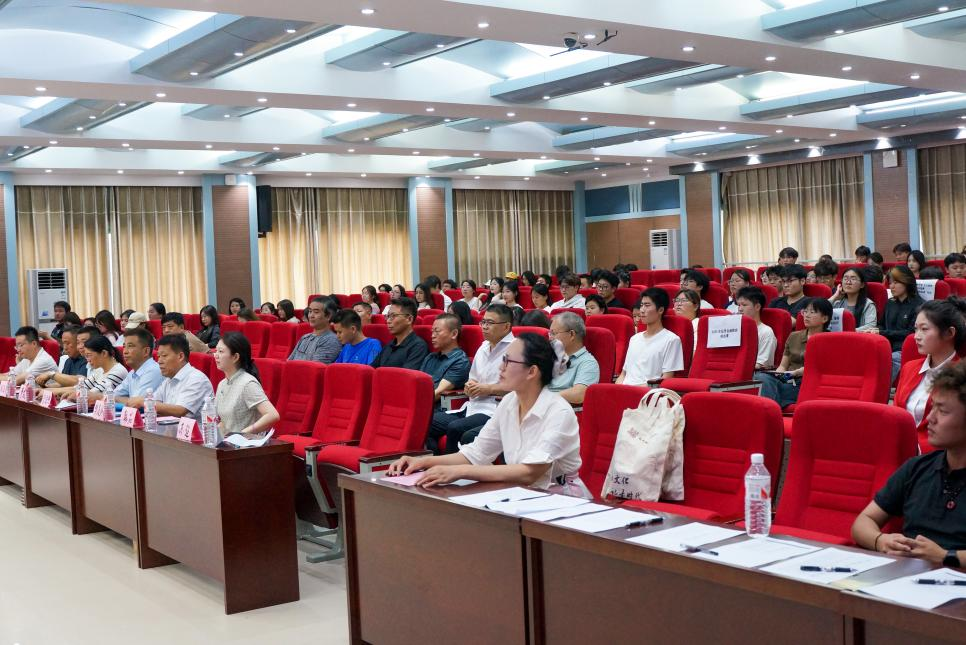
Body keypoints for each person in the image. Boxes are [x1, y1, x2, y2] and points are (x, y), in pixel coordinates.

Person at [387, 333, 582, 492]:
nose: (500, 367)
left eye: (508, 361)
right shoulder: (509, 402)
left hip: (562, 500)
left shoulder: (559, 412)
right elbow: (476, 453)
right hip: (522, 494)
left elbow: (529, 473)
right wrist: (423, 462)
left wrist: (460, 472)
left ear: (532, 372)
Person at [852, 361, 966, 563]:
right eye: (932, 407)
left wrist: (945, 556)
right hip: (908, 574)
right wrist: (881, 540)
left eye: (942, 411)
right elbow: (863, 522)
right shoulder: (917, 468)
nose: (930, 418)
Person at [429, 304, 513, 453]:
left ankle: (451, 467)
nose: (484, 327)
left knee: (455, 428)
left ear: (506, 327)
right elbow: (473, 378)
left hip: (494, 410)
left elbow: (519, 388)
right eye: (483, 322)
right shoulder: (483, 347)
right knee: (426, 421)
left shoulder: (516, 349)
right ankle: (432, 460)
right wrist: (469, 386)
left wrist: (488, 389)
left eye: (490, 323)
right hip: (471, 406)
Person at [894, 298, 965, 445]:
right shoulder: (909, 368)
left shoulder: (961, 376)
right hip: (898, 443)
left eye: (924, 329)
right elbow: (895, 414)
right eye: (916, 329)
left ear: (949, 333)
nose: (916, 336)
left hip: (936, 450)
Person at [757, 298, 832, 408]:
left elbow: (822, 369)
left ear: (825, 318)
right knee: (761, 377)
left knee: (772, 390)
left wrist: (797, 372)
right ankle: (773, 409)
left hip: (808, 384)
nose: (806, 315)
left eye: (812, 312)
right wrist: (778, 375)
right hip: (789, 380)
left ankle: (770, 410)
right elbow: (783, 365)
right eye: (805, 311)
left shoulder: (830, 340)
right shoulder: (794, 336)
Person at [122, 335, 212, 420]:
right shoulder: (168, 380)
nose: (159, 361)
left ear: (180, 356)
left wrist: (143, 402)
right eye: (158, 356)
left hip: (196, 431)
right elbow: (155, 402)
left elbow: (180, 411)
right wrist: (145, 403)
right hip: (170, 429)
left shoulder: (196, 378)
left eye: (164, 356)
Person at [420, 315, 471, 451]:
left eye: (437, 331)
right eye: (432, 331)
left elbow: (438, 393)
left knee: (419, 422)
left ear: (454, 334)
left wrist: (413, 407)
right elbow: (418, 387)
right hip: (425, 407)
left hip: (446, 411)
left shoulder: (460, 361)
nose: (432, 335)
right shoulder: (430, 357)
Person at [213, 332, 279, 435]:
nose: (215, 355)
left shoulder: (247, 383)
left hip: (246, 442)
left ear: (235, 357)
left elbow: (272, 415)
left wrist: (243, 434)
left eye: (221, 351)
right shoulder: (222, 384)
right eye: (216, 350)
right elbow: (224, 421)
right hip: (228, 442)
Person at [617, 288, 684, 385]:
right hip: (625, 389)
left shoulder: (672, 340)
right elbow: (623, 374)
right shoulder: (634, 338)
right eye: (641, 305)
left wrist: (634, 390)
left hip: (647, 391)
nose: (642, 310)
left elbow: (666, 378)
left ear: (660, 310)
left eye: (647, 305)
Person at [879, 265, 925, 382]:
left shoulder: (919, 305)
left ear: (907, 282)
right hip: (886, 346)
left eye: (896, 282)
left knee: (887, 361)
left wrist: (882, 332)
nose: (891, 286)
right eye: (890, 283)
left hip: (903, 349)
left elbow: (911, 333)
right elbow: (881, 324)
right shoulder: (890, 303)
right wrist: (876, 331)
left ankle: (879, 391)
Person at [49, 335, 127, 400]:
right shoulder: (100, 369)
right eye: (86, 356)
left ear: (104, 353)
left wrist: (62, 393)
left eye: (89, 355)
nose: (87, 360)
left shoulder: (118, 371)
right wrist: (48, 391)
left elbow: (92, 394)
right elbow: (80, 387)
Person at [548, 312, 599, 405]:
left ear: (571, 334)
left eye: (554, 333)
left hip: (559, 408)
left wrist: (544, 399)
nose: (550, 338)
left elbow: (579, 394)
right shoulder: (550, 356)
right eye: (549, 334)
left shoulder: (588, 362)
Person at [372, 297, 429, 370]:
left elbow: (405, 375)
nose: (388, 321)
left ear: (409, 319)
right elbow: (372, 369)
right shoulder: (389, 345)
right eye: (388, 316)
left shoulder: (418, 347)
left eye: (393, 316)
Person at [111, 328, 164, 404]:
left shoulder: (154, 371)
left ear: (146, 351)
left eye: (130, 346)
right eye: (124, 346)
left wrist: (119, 399)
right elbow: (113, 396)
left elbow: (136, 403)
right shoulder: (133, 372)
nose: (125, 351)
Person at [289, 297, 342, 364]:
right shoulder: (304, 337)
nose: (311, 316)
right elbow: (289, 361)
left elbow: (315, 368)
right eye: (310, 311)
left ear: (328, 316)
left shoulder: (331, 340)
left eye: (316, 312)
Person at [736, 286, 777, 371]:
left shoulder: (766, 332)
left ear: (757, 307)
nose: (740, 309)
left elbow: (761, 364)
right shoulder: (735, 329)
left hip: (753, 373)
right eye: (739, 305)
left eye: (744, 305)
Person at [829, 267, 877, 331]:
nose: (848, 282)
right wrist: (835, 297)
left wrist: (848, 332)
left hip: (858, 336)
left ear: (862, 285)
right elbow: (821, 313)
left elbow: (871, 326)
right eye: (845, 279)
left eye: (853, 279)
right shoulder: (837, 302)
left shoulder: (868, 305)